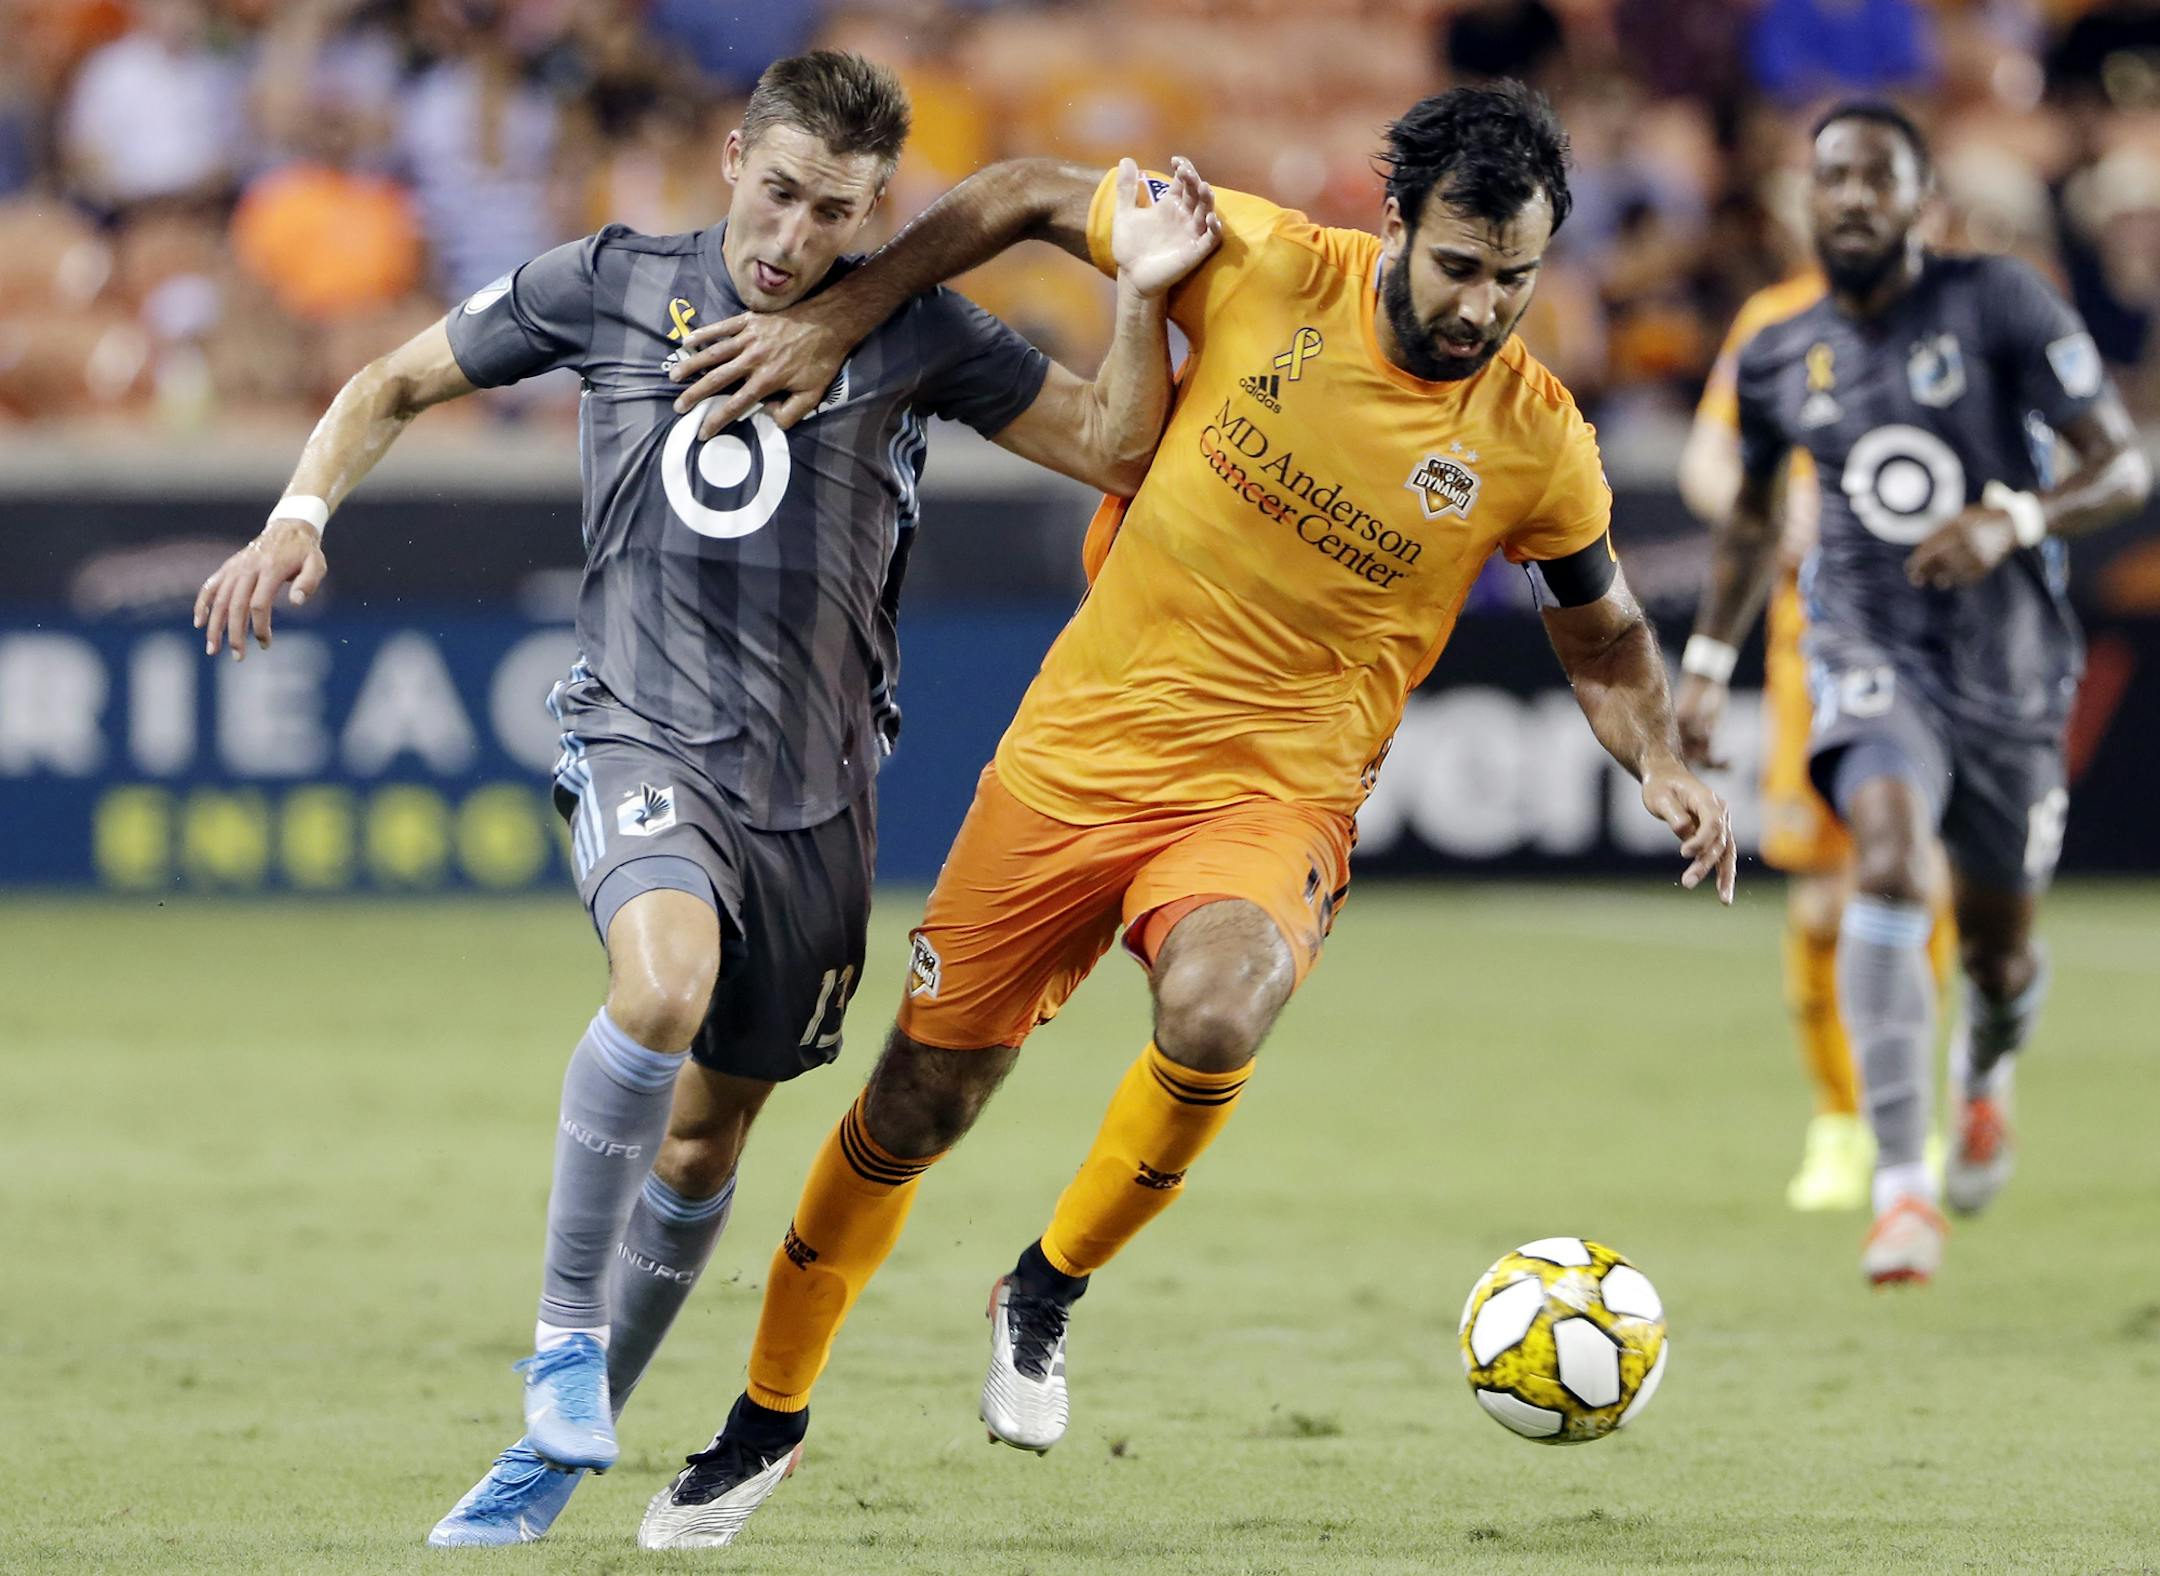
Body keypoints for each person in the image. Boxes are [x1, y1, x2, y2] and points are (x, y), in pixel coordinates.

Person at [633, 80, 1736, 1552]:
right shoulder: (1262, 262)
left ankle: (1044, 1288)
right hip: (1075, 760)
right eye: (1461, 266)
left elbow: (1602, 638)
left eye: (1516, 278)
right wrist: (839, 318)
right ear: (1395, 223)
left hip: (1276, 793)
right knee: (914, 1106)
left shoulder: (1536, 440)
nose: (1483, 306)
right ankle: (763, 1422)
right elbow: (1019, 190)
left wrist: (1659, 759)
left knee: (1220, 1010)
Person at [189, 48, 1221, 1547]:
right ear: (734, 157)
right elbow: (391, 380)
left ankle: (555, 1451)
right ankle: (561, 1339)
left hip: (816, 798)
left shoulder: (916, 329)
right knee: (661, 986)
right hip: (641, 734)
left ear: (878, 211)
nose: (795, 238)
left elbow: (1117, 445)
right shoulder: (611, 282)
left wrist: (1140, 293)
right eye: (780, 193)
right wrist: (298, 514)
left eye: (837, 213)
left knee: (703, 1143)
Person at [1675, 101, 2150, 1285]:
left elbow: (2122, 465)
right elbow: (1749, 518)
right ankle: (1899, 1185)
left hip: (2008, 664)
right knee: (1881, 858)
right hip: (1866, 645)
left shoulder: (2002, 301)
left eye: (1877, 178)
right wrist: (1706, 666)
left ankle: (1984, 1066)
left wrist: (2016, 518)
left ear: (1921, 199)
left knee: (1996, 953)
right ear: (1808, 198)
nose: (1852, 197)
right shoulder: (1778, 346)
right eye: (1832, 176)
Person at [1680, 274, 1959, 1213]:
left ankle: (1907, 1116)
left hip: (1931, 641)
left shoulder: (1961, 312)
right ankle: (1838, 1118)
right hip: (1815, 648)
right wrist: (1762, 501)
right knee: (1824, 899)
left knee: (1919, 872)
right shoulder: (1775, 319)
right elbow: (1706, 461)